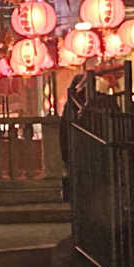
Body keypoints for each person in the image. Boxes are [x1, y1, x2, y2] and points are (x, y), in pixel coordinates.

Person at [59, 74, 84, 202]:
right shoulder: (75, 103)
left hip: (73, 145)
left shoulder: (70, 105)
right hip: (77, 145)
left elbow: (63, 129)